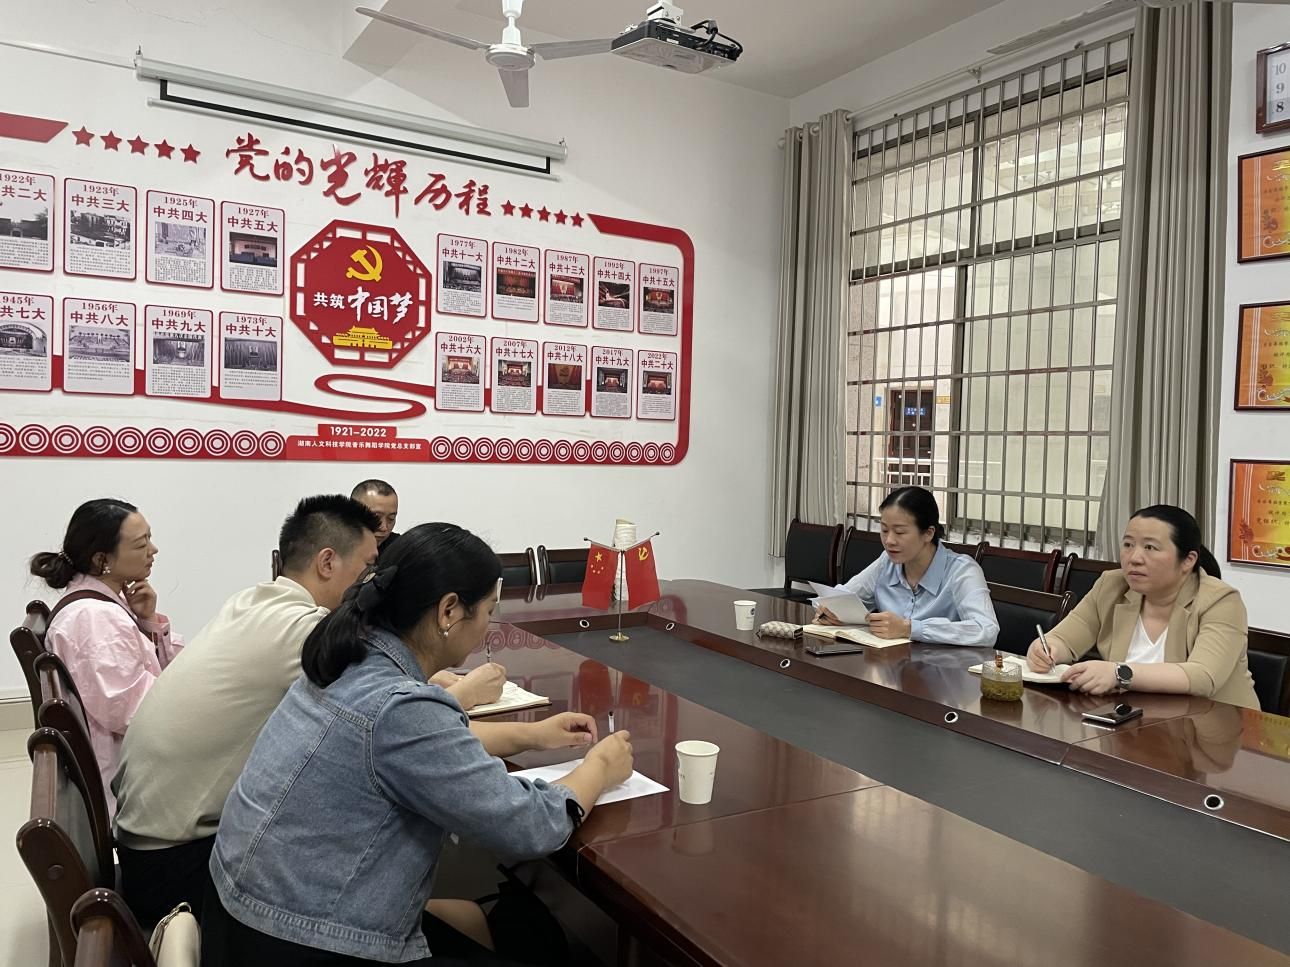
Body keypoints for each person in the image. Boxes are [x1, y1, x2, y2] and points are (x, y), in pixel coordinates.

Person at [203, 522, 633, 965]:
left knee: (496, 926)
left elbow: (417, 747)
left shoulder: (347, 656)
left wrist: (532, 734)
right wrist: (599, 768)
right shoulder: (401, 706)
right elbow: (530, 825)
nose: (488, 627)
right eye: (488, 611)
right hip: (305, 941)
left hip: (241, 916)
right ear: (449, 611)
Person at [113, 496, 506, 927]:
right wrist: (466, 691)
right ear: (327, 562)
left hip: (141, 839)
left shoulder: (255, 601)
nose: (376, 583)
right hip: (176, 865)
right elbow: (398, 721)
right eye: (369, 568)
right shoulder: (304, 631)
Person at [30, 499, 184, 810]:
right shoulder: (93, 619)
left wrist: (147, 621)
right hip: (128, 787)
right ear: (102, 559)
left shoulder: (100, 606)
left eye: (150, 538)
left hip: (131, 767)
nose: (153, 550)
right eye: (141, 544)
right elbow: (137, 712)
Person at [1025, 505, 1259, 709]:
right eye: (1128, 544)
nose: (1134, 558)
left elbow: (1203, 676)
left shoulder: (1221, 601)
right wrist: (1047, 649)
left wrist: (1118, 673)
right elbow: (1066, 637)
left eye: (1150, 548)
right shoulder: (1112, 585)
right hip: (1133, 720)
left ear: (1188, 560)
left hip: (1214, 728)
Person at [819, 486, 999, 646]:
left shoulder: (962, 570)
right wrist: (830, 611)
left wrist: (909, 628)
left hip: (942, 668)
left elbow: (986, 629)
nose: (889, 540)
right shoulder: (886, 562)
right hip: (891, 664)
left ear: (928, 533)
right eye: (884, 530)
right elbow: (843, 596)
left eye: (899, 532)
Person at [351, 478, 400, 557]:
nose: (384, 528)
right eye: (376, 517)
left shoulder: (400, 549)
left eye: (391, 518)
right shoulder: (333, 544)